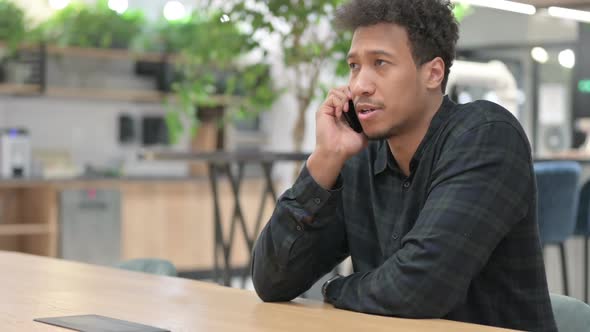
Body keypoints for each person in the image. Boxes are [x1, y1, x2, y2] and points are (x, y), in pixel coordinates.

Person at [251, 0, 557, 331]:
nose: (359, 85)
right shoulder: (360, 156)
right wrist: (326, 158)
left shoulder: (486, 135)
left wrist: (333, 288)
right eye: (354, 66)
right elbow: (272, 280)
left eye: (380, 63)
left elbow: (418, 290)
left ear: (433, 73)